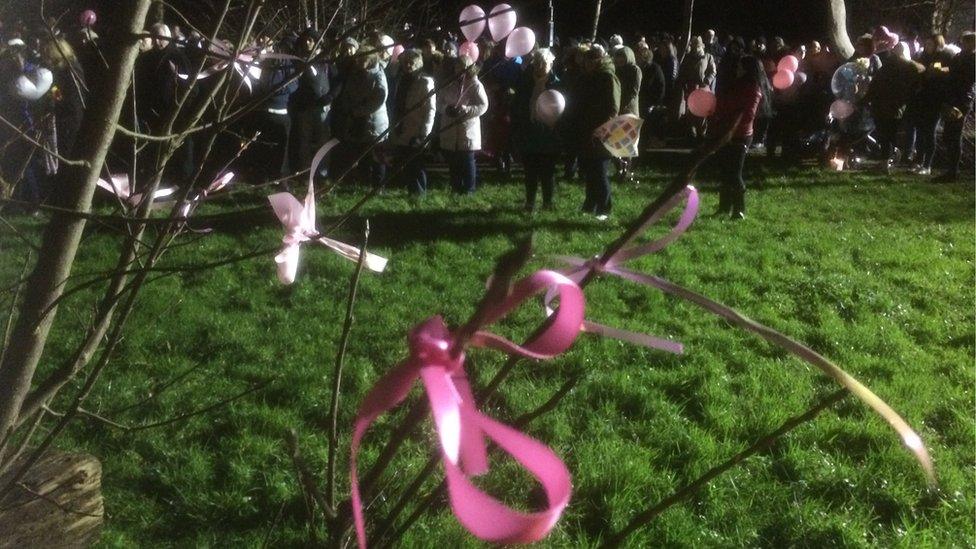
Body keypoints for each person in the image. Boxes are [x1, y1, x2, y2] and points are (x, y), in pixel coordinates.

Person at [565, 45, 620, 219]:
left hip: (601, 131)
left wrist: (602, 128)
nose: (587, 64)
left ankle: (604, 207)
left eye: (591, 60)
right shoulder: (585, 78)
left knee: (600, 170)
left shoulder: (608, 78)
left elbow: (613, 107)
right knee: (589, 169)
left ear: (598, 60)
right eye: (586, 60)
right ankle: (590, 204)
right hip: (584, 129)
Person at [710, 55, 763, 220]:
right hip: (726, 132)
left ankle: (739, 209)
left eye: (741, 66)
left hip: (741, 134)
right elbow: (725, 103)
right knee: (724, 171)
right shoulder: (735, 84)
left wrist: (731, 120)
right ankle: (724, 207)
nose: (738, 68)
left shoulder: (754, 88)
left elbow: (748, 114)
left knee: (734, 173)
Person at [330, 42, 389, 187]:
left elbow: (379, 99)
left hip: (374, 123)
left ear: (371, 60)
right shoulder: (355, 74)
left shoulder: (378, 76)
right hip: (357, 121)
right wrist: (349, 108)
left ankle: (378, 186)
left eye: (362, 60)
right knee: (361, 154)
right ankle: (363, 182)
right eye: (358, 59)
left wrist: (357, 111)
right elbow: (348, 93)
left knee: (377, 156)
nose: (358, 62)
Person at [511, 48, 561, 211]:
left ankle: (548, 202)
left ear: (550, 64)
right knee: (530, 171)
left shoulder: (556, 83)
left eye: (544, 63)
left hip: (549, 133)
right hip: (529, 131)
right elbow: (518, 105)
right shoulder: (525, 82)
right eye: (537, 62)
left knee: (547, 172)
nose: (540, 66)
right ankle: (530, 202)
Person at [864, 42, 924, 173]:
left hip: (891, 106)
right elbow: (876, 84)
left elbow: (912, 88)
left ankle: (885, 163)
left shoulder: (909, 68)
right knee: (886, 135)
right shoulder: (892, 66)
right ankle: (885, 161)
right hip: (884, 105)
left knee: (887, 135)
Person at [288, 29, 338, 180]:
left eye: (311, 40)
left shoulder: (325, 61)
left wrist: (330, 96)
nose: (307, 42)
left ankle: (322, 173)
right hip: (304, 108)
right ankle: (305, 173)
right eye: (306, 39)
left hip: (322, 108)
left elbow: (337, 81)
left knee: (323, 142)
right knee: (304, 141)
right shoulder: (297, 62)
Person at [438, 53, 488, 194]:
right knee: (453, 161)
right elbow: (439, 102)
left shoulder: (475, 85)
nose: (459, 70)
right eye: (457, 67)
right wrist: (446, 109)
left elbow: (483, 106)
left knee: (467, 161)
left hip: (467, 128)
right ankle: (455, 187)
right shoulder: (448, 84)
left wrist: (466, 110)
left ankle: (469, 189)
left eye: (462, 67)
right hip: (450, 126)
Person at [906, 34, 954, 175]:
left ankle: (928, 164)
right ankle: (919, 161)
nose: (927, 47)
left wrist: (938, 71)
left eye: (930, 44)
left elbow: (949, 73)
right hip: (921, 98)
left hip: (936, 100)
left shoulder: (945, 57)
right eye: (926, 44)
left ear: (937, 44)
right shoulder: (922, 57)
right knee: (920, 131)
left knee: (929, 131)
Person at [389, 49, 435, 194]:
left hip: (417, 127)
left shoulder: (425, 81)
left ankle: (419, 193)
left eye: (411, 62)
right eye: (406, 62)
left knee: (416, 163)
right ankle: (410, 190)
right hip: (401, 125)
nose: (408, 65)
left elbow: (430, 109)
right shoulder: (401, 79)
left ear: (418, 63)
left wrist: (424, 133)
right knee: (405, 160)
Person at [935, 31, 975, 183]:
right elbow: (952, 71)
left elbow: (964, 80)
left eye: (967, 42)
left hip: (961, 101)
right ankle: (950, 169)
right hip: (952, 98)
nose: (964, 44)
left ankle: (953, 171)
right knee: (948, 134)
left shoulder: (972, 59)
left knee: (954, 133)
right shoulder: (960, 56)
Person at [676, 36, 716, 140]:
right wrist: (684, 82)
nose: (695, 47)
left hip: (703, 88)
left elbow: (713, 71)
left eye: (697, 45)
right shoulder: (688, 57)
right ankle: (692, 132)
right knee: (691, 110)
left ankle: (702, 132)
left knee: (703, 110)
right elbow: (683, 71)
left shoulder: (707, 57)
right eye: (693, 45)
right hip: (691, 87)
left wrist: (708, 80)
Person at [611, 45, 641, 181]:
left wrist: (622, 105)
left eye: (622, 57)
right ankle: (619, 169)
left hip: (629, 110)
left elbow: (633, 91)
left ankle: (626, 171)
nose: (620, 60)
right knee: (617, 142)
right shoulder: (617, 70)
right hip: (617, 109)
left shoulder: (635, 70)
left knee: (628, 143)